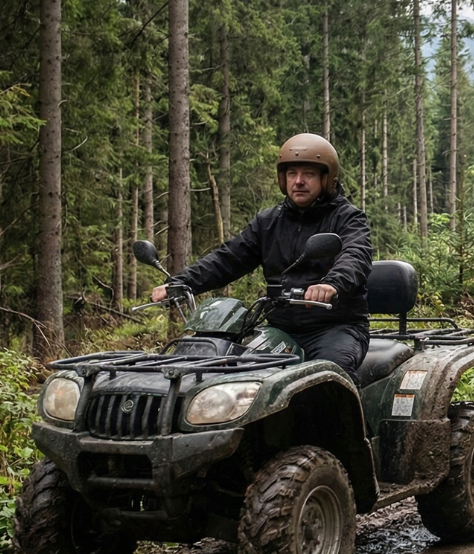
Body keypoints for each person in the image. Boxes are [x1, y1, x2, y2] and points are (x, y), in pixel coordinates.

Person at [152, 133, 373, 374]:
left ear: (326, 178)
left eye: (308, 174)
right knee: (236, 373)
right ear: (283, 179)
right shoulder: (269, 222)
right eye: (292, 174)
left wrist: (332, 284)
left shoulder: (348, 218)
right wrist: (182, 282)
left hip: (336, 328)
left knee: (330, 374)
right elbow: (229, 258)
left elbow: (356, 254)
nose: (298, 181)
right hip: (280, 329)